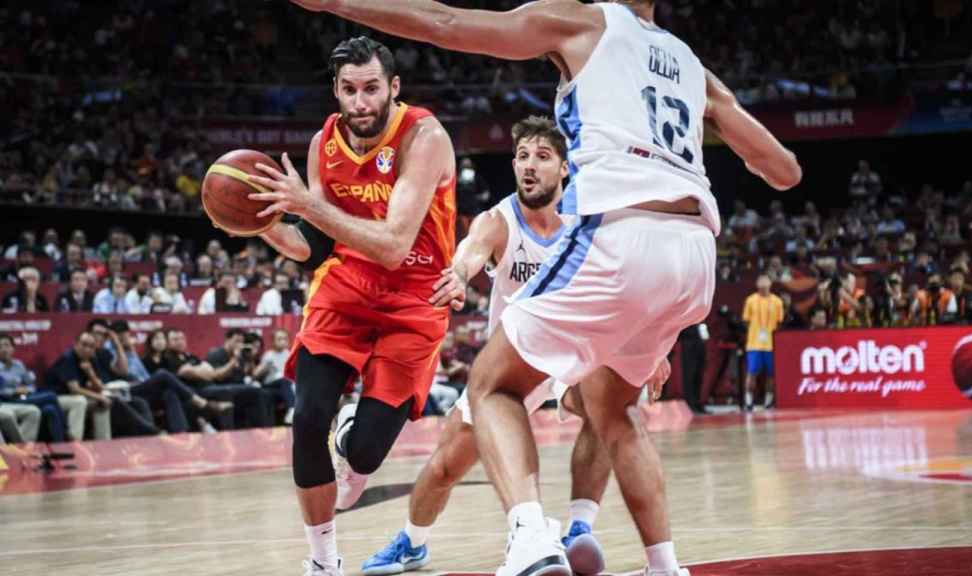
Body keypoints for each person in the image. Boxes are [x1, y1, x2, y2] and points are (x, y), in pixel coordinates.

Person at [288, 2, 800, 576]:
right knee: (615, 411)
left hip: (622, 233)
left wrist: (334, 4)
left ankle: (532, 539)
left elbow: (446, 24)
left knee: (490, 387)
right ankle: (664, 565)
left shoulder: (586, 22)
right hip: (696, 251)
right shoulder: (689, 64)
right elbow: (783, 171)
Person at [364, 116, 653, 576]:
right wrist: (458, 275)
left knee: (608, 403)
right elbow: (472, 250)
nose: (529, 166)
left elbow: (628, 289)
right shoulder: (499, 220)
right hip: (512, 365)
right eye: (522, 157)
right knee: (444, 467)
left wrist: (648, 352)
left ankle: (579, 528)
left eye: (542, 157)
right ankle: (412, 542)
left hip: (570, 359)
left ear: (564, 169)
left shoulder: (587, 222)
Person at [246, 36, 457, 576]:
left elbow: (393, 245)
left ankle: (355, 441)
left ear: (393, 88)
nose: (360, 102)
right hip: (345, 288)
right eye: (349, 90)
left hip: (415, 297)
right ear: (335, 90)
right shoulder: (324, 143)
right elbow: (313, 246)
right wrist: (262, 224)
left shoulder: (424, 136)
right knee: (308, 418)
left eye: (371, 89)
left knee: (363, 453)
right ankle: (322, 562)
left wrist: (308, 205)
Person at [109, 321, 232, 434]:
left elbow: (145, 375)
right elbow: (124, 371)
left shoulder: (133, 352)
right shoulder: (110, 350)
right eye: (122, 335)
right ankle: (203, 405)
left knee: (170, 392)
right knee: (163, 375)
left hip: (146, 386)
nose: (126, 338)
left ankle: (181, 432)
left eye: (126, 334)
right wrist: (119, 346)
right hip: (127, 389)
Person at [0, 334, 68, 441]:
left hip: (24, 397)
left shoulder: (18, 365)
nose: (4, 349)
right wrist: (14, 391)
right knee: (51, 396)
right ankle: (67, 431)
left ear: (13, 348)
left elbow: (30, 384)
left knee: (50, 409)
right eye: (0, 346)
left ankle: (60, 446)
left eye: (7, 345)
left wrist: (28, 389)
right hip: (7, 400)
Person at [741, 275, 784, 411]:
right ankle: (748, 402)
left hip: (771, 344)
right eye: (762, 286)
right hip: (754, 344)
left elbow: (779, 322)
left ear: (770, 286)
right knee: (751, 373)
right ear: (758, 286)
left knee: (771, 374)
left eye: (766, 286)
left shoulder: (777, 301)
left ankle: (768, 402)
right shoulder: (751, 300)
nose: (764, 288)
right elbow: (746, 320)